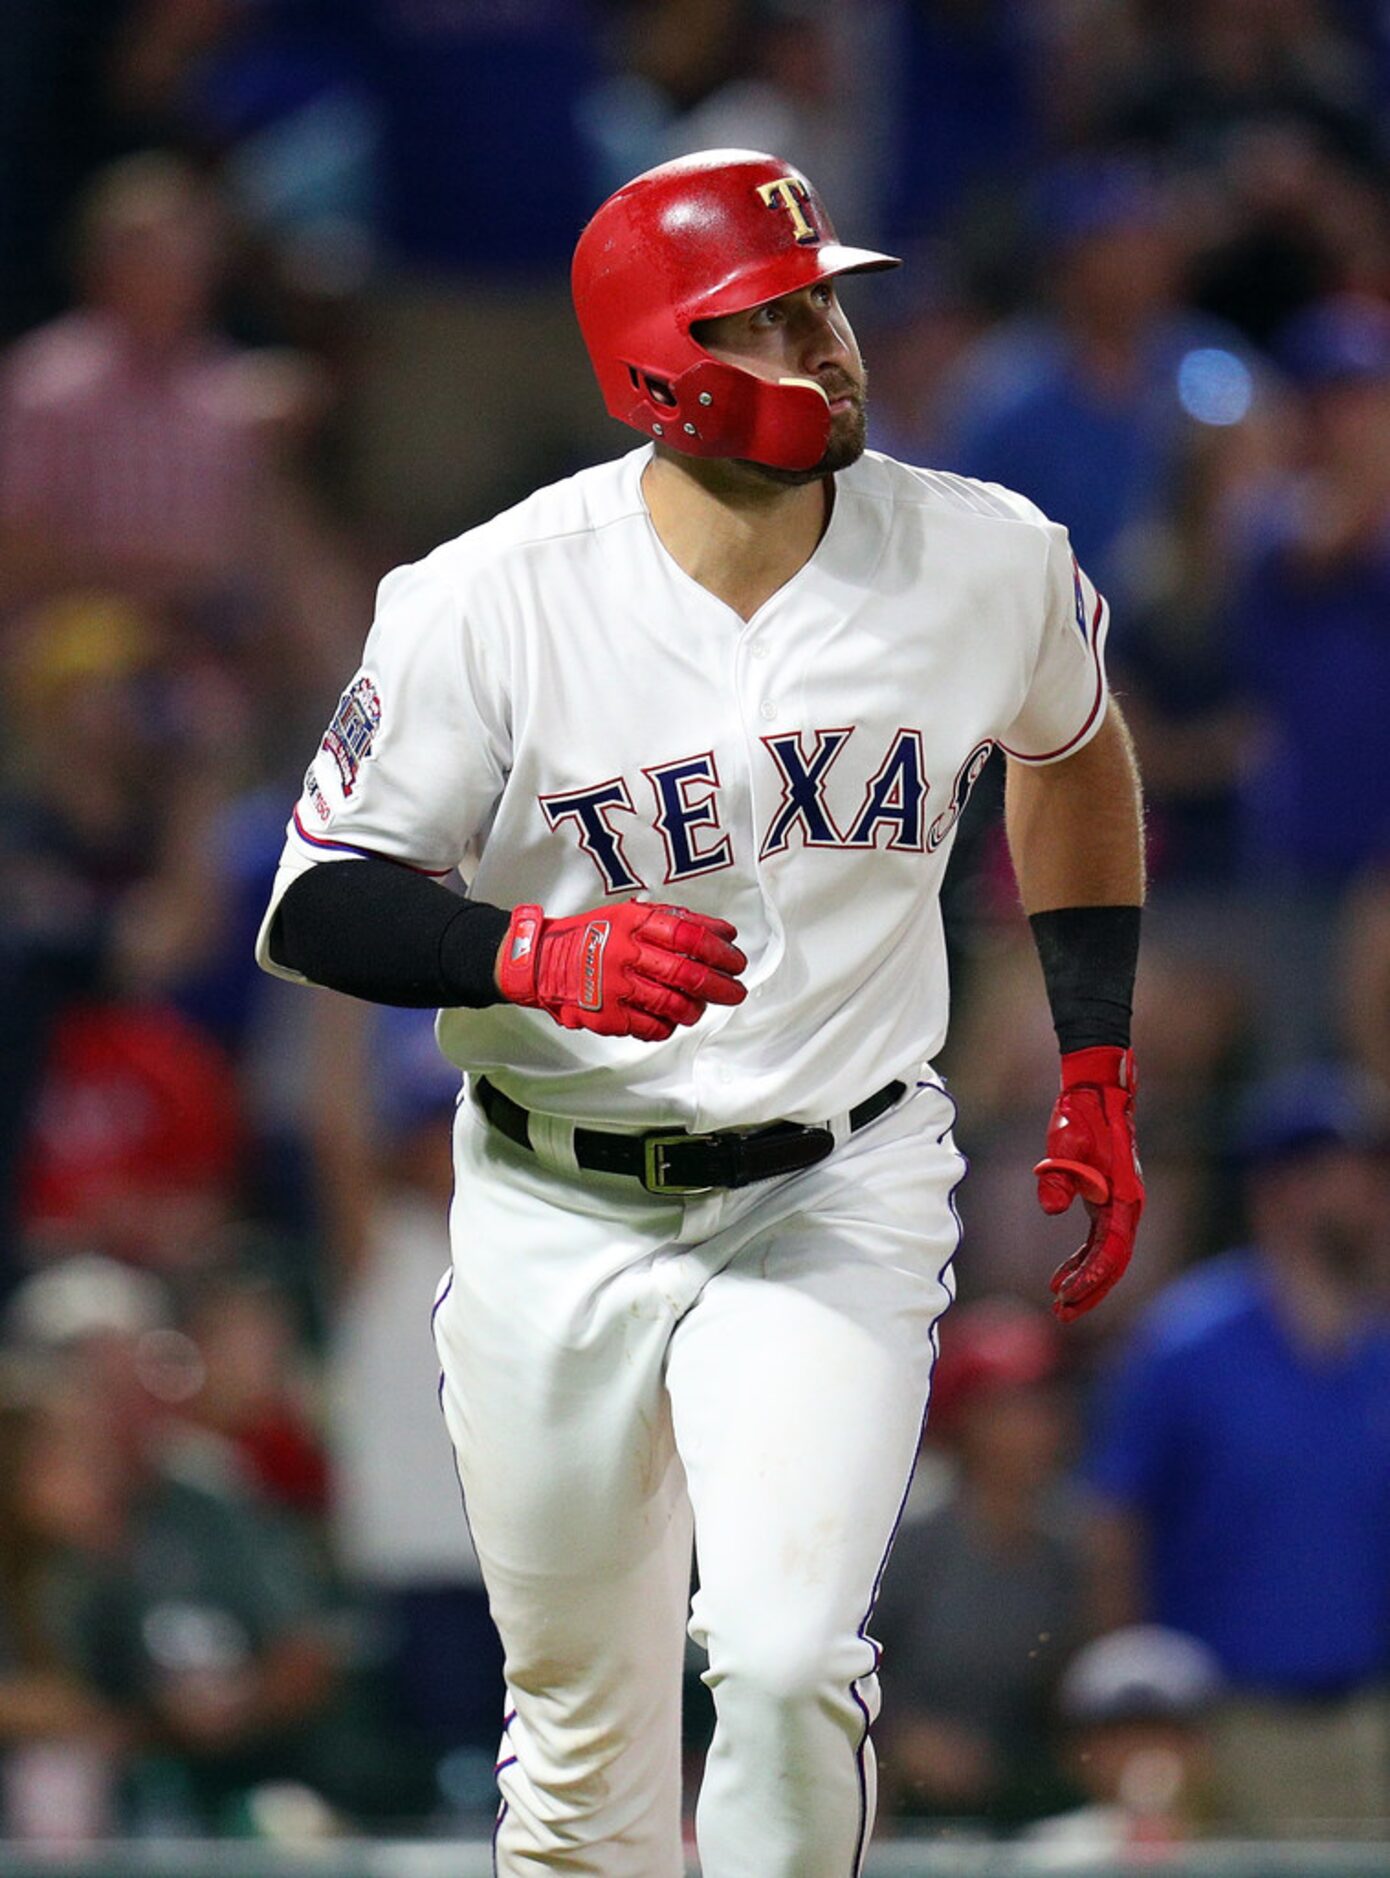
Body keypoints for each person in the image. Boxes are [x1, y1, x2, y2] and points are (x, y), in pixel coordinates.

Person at [255, 149, 1146, 1877]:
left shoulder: (982, 557)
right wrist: (529, 954)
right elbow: (316, 896)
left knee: (796, 1658)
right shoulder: (489, 599)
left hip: (837, 1184)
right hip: (553, 1202)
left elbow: (1073, 747)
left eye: (829, 302)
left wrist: (1096, 1052)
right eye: (774, 315)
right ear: (657, 360)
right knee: (586, 1749)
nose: (830, 345)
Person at [1085, 1062, 1390, 1836]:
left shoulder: (1380, 1342)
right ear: (1276, 1190)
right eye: (1344, 1173)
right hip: (1226, 1722)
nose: (1368, 1195)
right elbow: (1118, 1526)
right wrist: (1137, 1717)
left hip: (1371, 1717)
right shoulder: (1186, 1343)